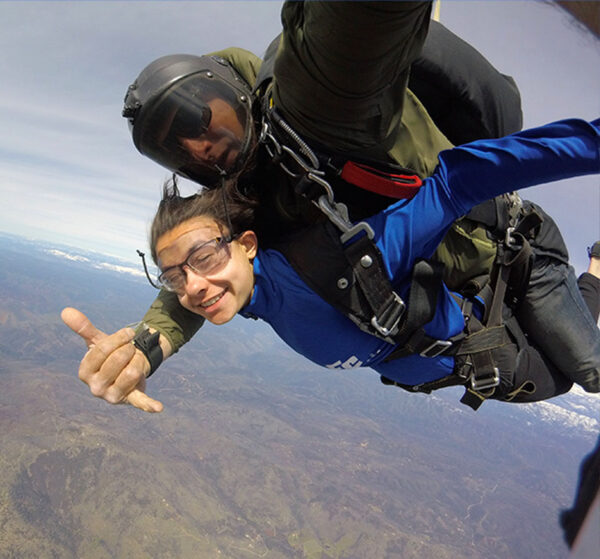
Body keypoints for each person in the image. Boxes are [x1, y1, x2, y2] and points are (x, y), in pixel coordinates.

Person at [66, 2, 534, 411]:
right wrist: (151, 342)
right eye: (177, 148)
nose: (199, 147)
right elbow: (198, 260)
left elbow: (350, 30)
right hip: (451, 320)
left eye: (199, 116)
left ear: (231, 89)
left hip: (499, 257)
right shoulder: (241, 197)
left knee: (583, 369)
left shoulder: (313, 106)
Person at [140, 118, 600, 406]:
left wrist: (593, 144)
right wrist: (145, 349)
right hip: (489, 368)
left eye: (203, 257)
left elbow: (455, 184)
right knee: (566, 368)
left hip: (521, 282)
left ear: (248, 244)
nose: (193, 287)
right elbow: (198, 288)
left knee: (588, 373)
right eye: (174, 276)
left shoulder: (344, 262)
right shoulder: (248, 295)